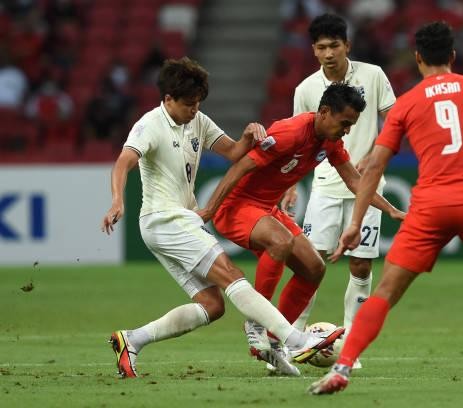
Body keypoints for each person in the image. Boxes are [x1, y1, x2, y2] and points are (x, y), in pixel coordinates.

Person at [309, 21, 463, 394]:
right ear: (452, 55)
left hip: (431, 204)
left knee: (384, 291)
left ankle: (342, 368)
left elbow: (373, 165)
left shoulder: (409, 103)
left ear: (417, 58)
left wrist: (355, 222)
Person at [100, 57, 344, 378]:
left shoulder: (197, 119)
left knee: (212, 306)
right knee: (233, 276)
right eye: (188, 104)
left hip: (174, 223)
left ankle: (131, 340)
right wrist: (117, 199)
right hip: (165, 218)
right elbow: (123, 161)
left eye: (198, 103)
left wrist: (249, 134)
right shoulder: (150, 124)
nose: (194, 109)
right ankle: (295, 339)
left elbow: (232, 151)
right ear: (168, 99)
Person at [199, 83, 405, 375]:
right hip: (236, 207)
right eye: (344, 123)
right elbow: (239, 167)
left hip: (266, 209)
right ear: (324, 112)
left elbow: (355, 181)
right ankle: (257, 322)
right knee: (281, 242)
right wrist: (210, 209)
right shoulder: (290, 132)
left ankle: (274, 341)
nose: (347, 131)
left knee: (314, 267)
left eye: (351, 125)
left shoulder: (330, 141)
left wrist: (391, 209)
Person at [257, 14, 397, 370]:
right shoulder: (305, 90)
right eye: (321, 47)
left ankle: (351, 345)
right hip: (324, 185)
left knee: (361, 264)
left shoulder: (374, 75)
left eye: (334, 45)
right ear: (313, 50)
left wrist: (372, 157)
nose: (328, 53)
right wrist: (289, 186)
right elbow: (295, 141)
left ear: (347, 46)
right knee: (309, 263)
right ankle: (291, 340)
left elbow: (395, 123)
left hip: (365, 187)